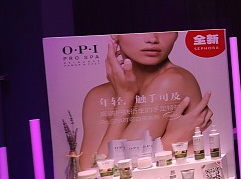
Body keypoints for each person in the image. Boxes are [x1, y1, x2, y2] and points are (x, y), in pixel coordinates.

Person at [79, 32, 212, 169]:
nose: (152, 39)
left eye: (164, 29)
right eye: (137, 31)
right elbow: (90, 174)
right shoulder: (97, 96)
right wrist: (125, 96)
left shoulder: (174, 80)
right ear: (116, 34)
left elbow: (115, 169)